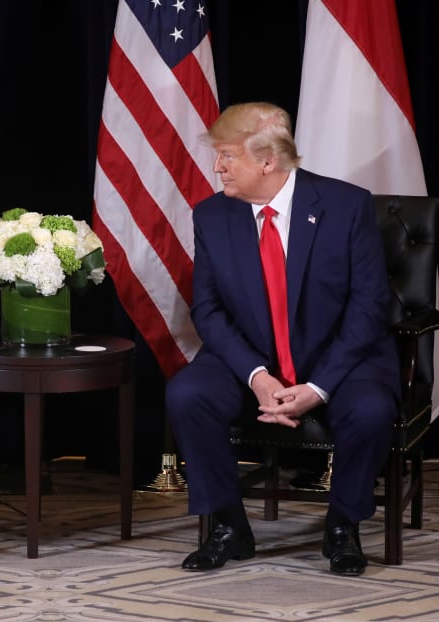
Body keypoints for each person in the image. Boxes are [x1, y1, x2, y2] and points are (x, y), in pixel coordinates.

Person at [166, 101, 399, 576]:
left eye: (228, 155)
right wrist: (256, 375)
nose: (217, 167)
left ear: (268, 161)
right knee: (188, 395)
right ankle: (229, 526)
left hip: (339, 358)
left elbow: (369, 307)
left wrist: (318, 387)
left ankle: (343, 526)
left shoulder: (346, 206)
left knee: (371, 409)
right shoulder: (212, 215)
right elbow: (207, 309)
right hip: (250, 357)